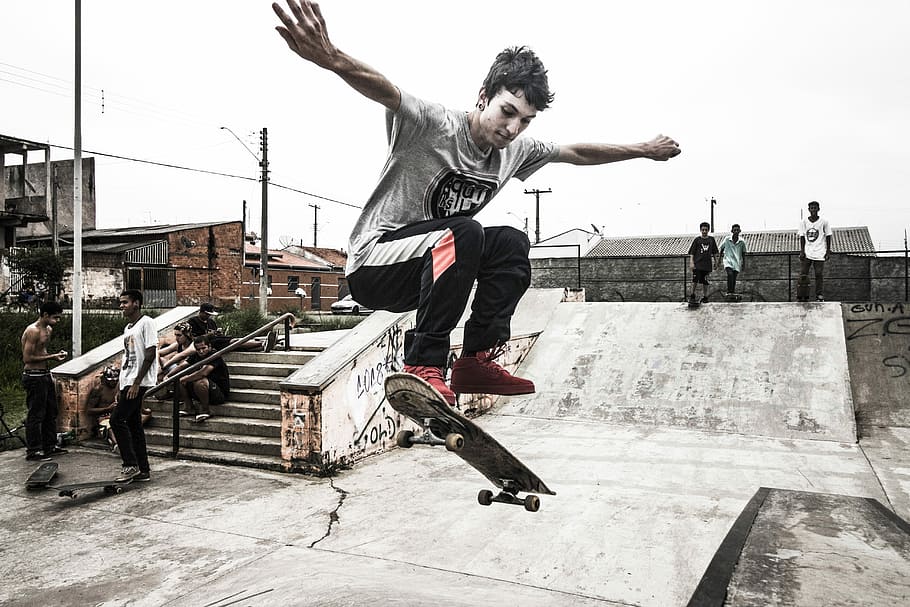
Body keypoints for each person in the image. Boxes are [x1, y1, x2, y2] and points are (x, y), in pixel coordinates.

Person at [271, 0, 681, 404]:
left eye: (525, 121)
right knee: (465, 231)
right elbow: (385, 90)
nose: (513, 128)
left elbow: (576, 152)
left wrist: (642, 149)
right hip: (374, 265)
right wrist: (331, 58)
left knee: (511, 243)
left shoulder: (516, 151)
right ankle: (422, 363)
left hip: (432, 271)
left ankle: (475, 358)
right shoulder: (434, 124)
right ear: (483, 96)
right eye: (508, 111)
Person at [111, 289, 157, 482]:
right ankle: (143, 470)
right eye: (120, 303)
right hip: (127, 380)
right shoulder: (129, 328)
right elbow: (127, 357)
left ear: (136, 303)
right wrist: (119, 385)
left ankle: (130, 465)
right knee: (134, 425)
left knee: (116, 420)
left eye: (125, 302)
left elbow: (150, 353)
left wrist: (137, 383)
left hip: (138, 382)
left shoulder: (147, 322)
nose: (121, 306)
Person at [20, 300, 69, 460]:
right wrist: (53, 357)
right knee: (36, 413)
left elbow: (42, 351)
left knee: (51, 411)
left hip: (44, 374)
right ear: (45, 315)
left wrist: (52, 356)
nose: (57, 321)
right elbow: (27, 358)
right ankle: (34, 450)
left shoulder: (48, 329)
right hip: (33, 375)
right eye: (55, 317)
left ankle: (50, 445)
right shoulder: (33, 331)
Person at [173, 335, 231, 423]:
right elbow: (182, 366)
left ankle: (205, 410)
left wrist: (186, 379)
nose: (201, 351)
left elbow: (203, 373)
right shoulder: (196, 355)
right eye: (198, 349)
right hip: (202, 391)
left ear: (210, 346)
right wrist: (168, 377)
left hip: (218, 393)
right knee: (179, 380)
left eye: (204, 348)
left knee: (200, 381)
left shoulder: (215, 356)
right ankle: (189, 408)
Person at [188, 303, 276, 353]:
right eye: (207, 315)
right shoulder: (193, 321)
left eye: (210, 315)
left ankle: (263, 346)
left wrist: (217, 332)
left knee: (238, 345)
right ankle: (262, 343)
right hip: (208, 344)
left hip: (218, 339)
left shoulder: (211, 322)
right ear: (201, 312)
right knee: (235, 342)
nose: (208, 317)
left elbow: (215, 332)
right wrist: (208, 335)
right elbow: (193, 339)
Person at [797, 200, 833, 302]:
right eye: (811, 208)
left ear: (818, 209)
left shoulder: (824, 221)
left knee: (818, 274)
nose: (813, 210)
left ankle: (819, 295)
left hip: (820, 252)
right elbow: (802, 236)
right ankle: (803, 295)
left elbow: (828, 235)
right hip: (808, 252)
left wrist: (828, 251)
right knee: (804, 275)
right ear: (809, 210)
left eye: (815, 208)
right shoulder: (803, 222)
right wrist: (802, 251)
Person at [688, 222, 719, 304]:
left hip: (707, 265)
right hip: (698, 264)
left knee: (705, 281)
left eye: (706, 230)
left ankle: (705, 297)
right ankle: (692, 295)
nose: (704, 231)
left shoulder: (711, 239)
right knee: (695, 280)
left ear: (708, 230)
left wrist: (716, 262)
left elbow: (715, 252)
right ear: (700, 230)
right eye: (703, 230)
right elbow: (692, 252)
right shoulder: (697, 240)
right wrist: (691, 262)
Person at [716, 224, 747, 297]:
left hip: (737, 262)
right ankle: (729, 291)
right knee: (730, 274)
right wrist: (719, 260)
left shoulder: (742, 242)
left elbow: (743, 253)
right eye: (734, 230)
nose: (736, 231)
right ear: (732, 231)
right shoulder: (727, 239)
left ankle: (732, 292)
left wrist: (743, 263)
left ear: (739, 231)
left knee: (734, 278)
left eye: (737, 230)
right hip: (728, 261)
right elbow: (721, 249)